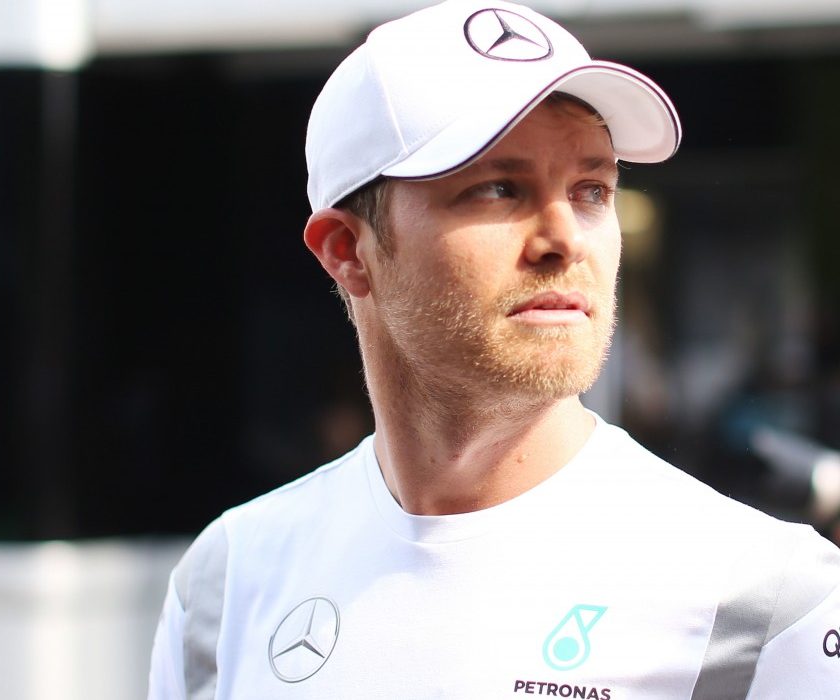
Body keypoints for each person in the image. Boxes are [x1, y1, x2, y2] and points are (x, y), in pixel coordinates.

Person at [147, 1, 840, 697]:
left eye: (592, 189)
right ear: (347, 252)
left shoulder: (765, 602)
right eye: (499, 189)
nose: (564, 238)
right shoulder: (227, 585)